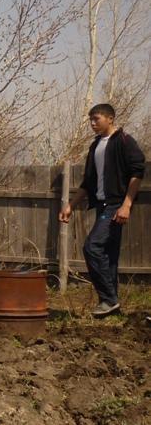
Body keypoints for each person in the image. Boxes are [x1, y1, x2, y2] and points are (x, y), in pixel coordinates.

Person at [59, 103, 145, 317]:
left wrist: (126, 205)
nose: (92, 123)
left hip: (116, 205)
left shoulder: (124, 141)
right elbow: (88, 183)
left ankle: (108, 299)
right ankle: (111, 309)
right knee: (108, 255)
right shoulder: (95, 145)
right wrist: (70, 205)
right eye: (90, 119)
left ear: (110, 118)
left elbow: (137, 174)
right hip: (101, 205)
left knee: (92, 247)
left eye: (96, 119)